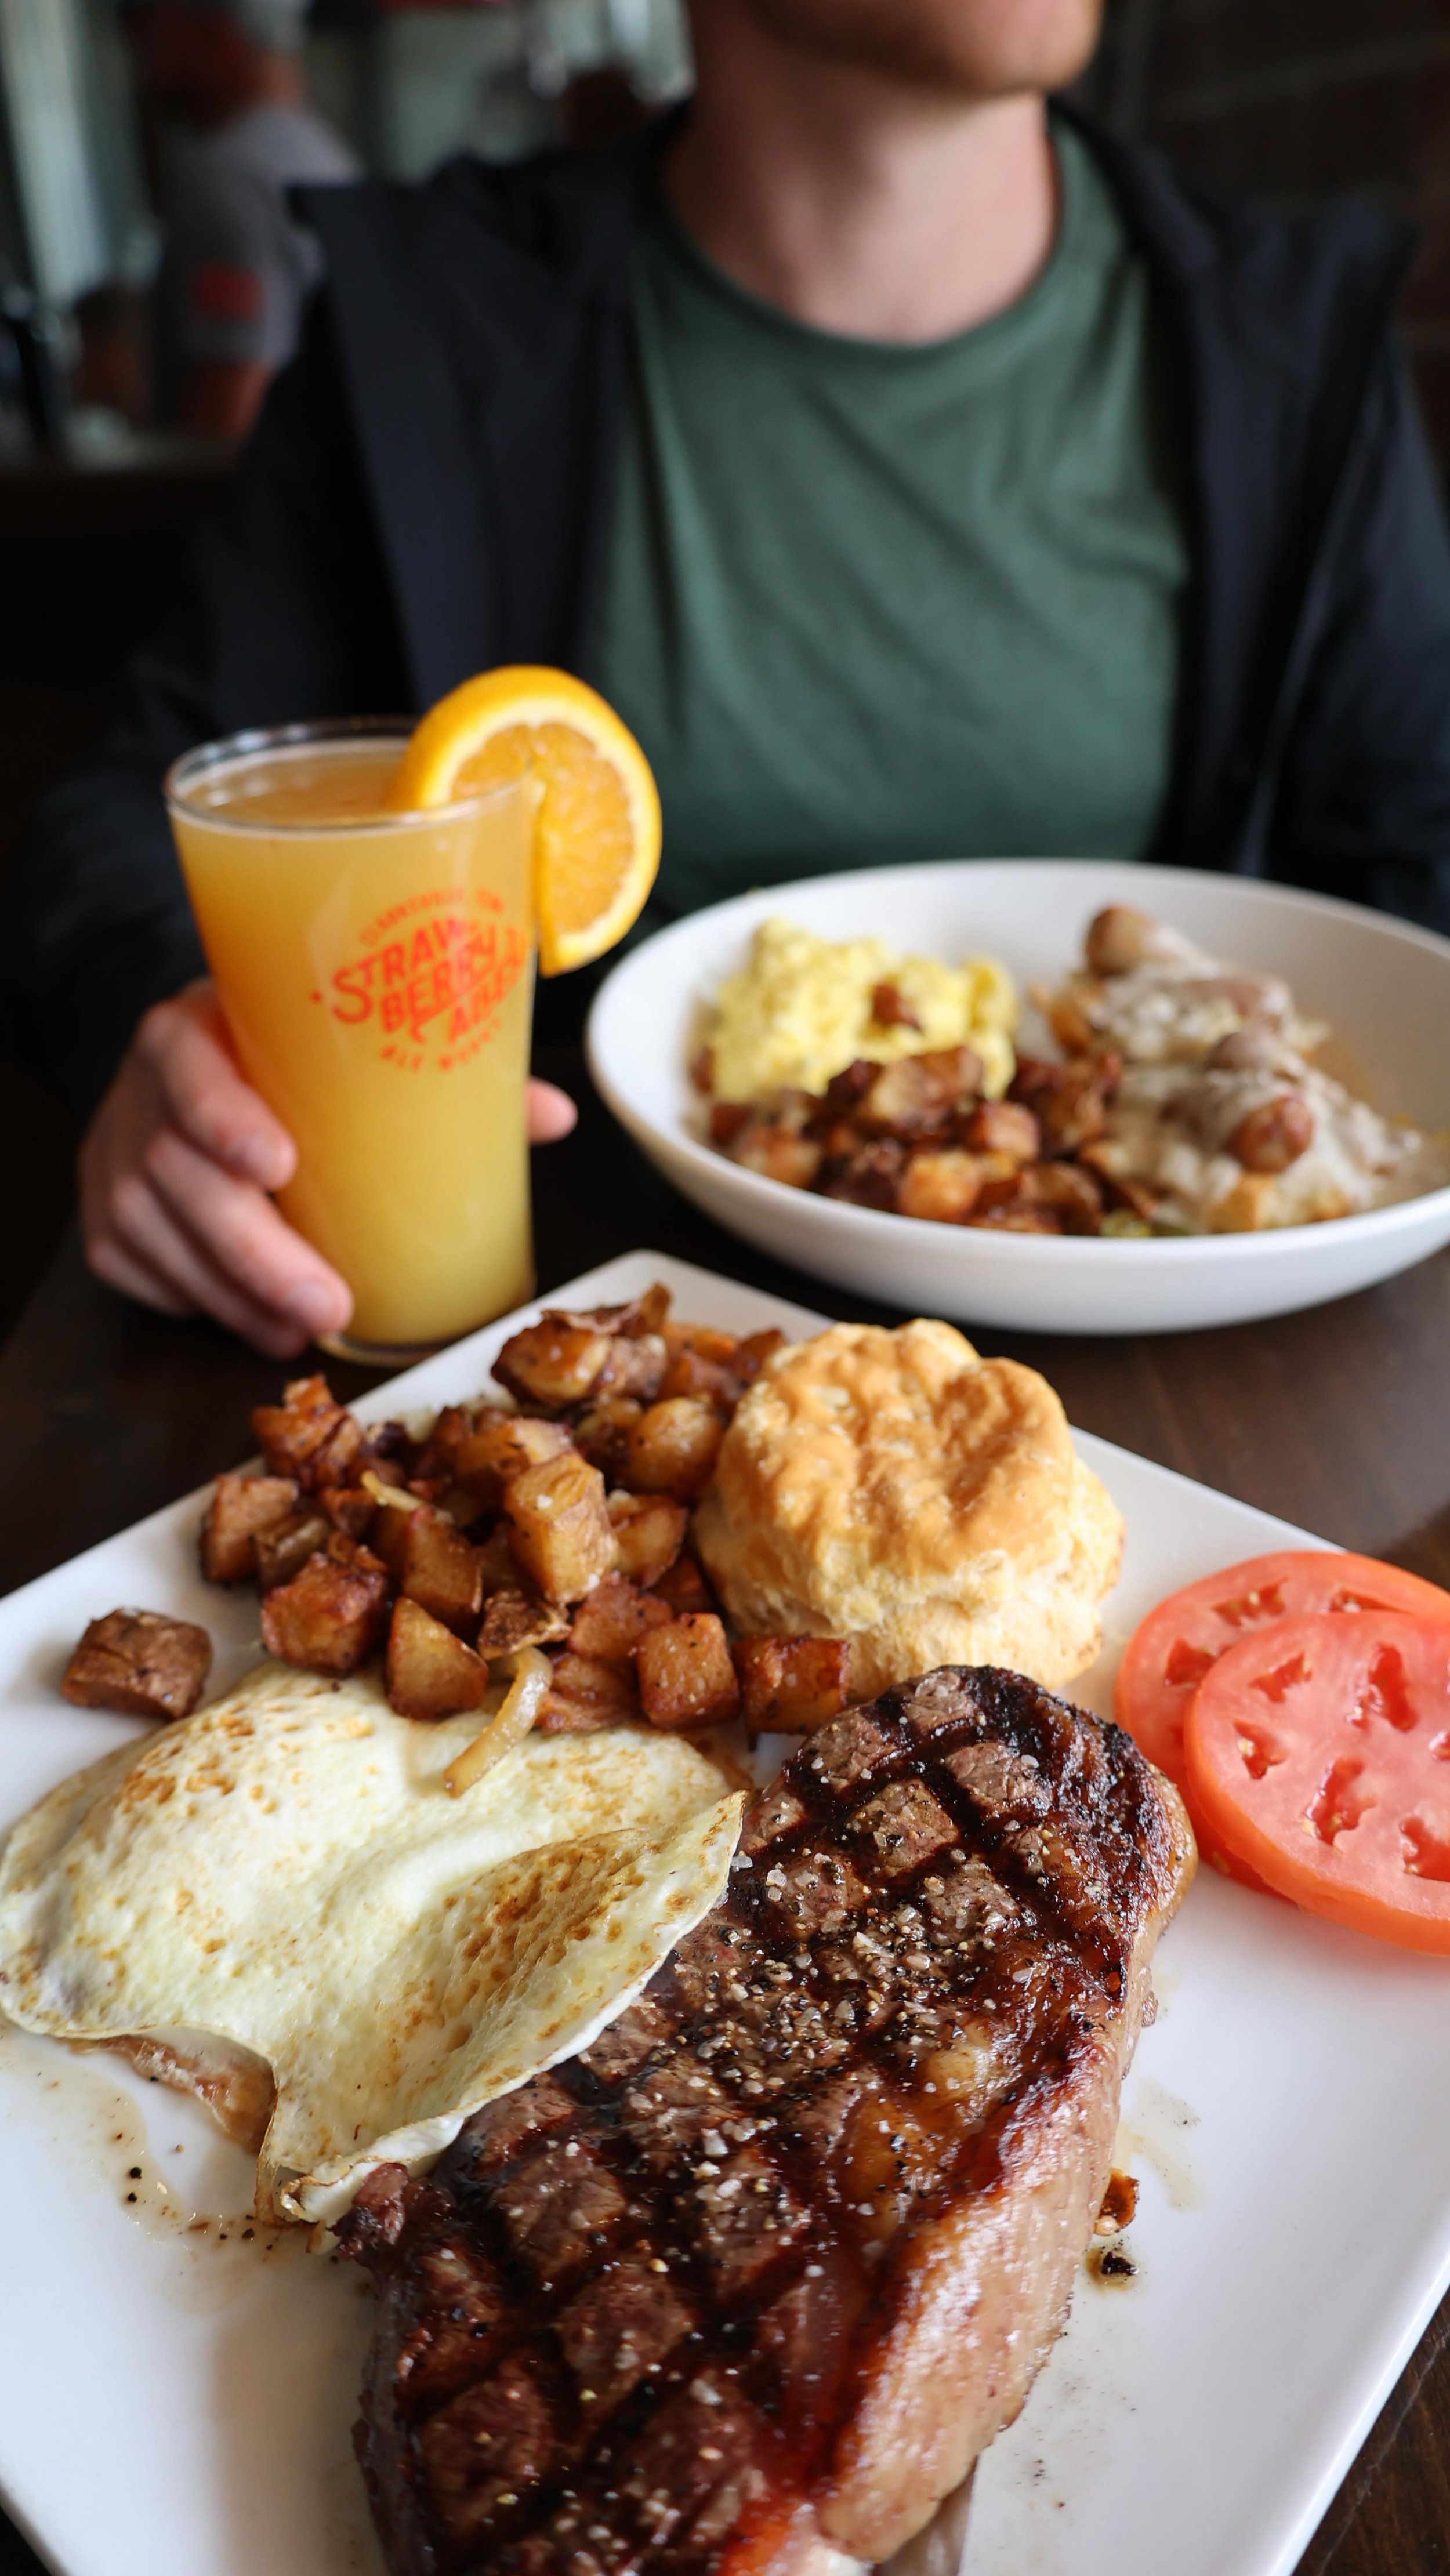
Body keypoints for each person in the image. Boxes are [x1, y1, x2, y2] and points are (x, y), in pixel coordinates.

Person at [5, 0, 1450, 1356]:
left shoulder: (1297, 337)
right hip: (538, 1307)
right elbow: (136, 812)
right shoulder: (423, 318)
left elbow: (1416, 857)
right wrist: (176, 1026)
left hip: (1233, 1344)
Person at [126, 0, 358, 439]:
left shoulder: (232, 176)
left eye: (154, 18)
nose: (138, 41)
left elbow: (232, 407)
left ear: (220, 33)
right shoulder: (321, 153)